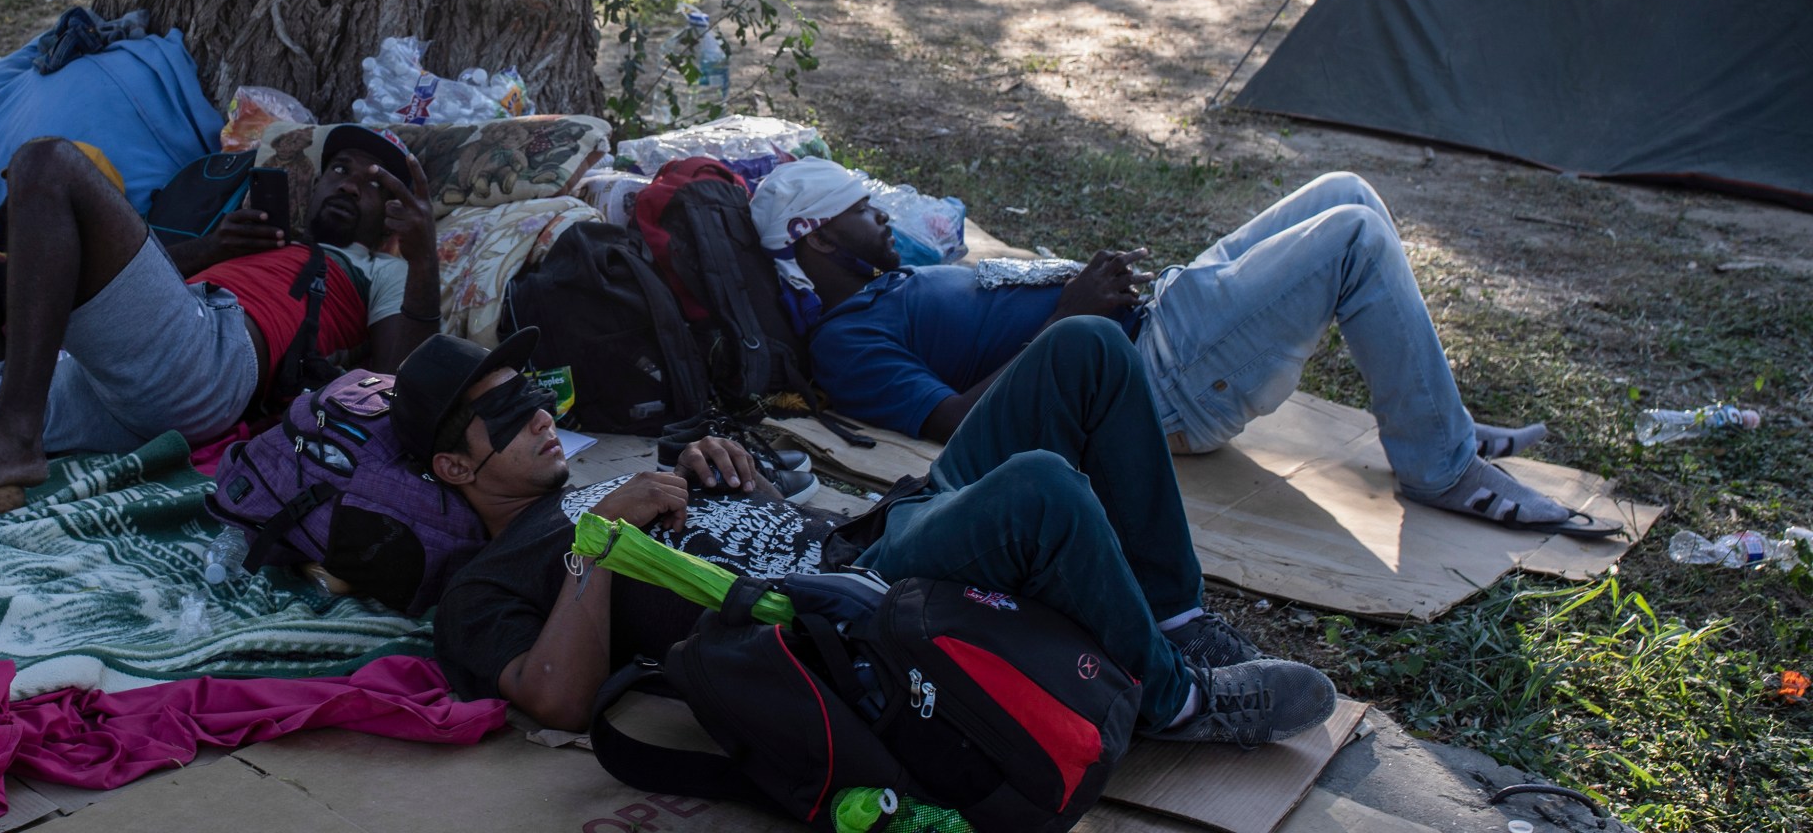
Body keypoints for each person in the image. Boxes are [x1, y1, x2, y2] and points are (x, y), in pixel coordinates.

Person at [409, 321, 1337, 747]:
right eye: (511, 411)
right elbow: (554, 698)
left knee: (1084, 349)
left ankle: (1173, 622)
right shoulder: (487, 580)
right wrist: (599, 542)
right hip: (841, 616)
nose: (542, 413)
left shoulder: (615, 470)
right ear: (455, 467)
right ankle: (1175, 704)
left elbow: (740, 506)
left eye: (541, 392)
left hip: (870, 534)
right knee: (1042, 491)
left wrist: (722, 470)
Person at [754, 161, 1615, 538]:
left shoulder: (888, 285)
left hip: (1158, 318)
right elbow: (955, 425)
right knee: (1351, 234)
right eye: (861, 212)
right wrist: (1070, 317)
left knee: (1346, 190)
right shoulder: (848, 342)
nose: (884, 218)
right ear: (813, 238)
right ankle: (1440, 466)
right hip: (1153, 382)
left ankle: (1438, 418)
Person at [0, 127, 445, 533]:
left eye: (374, 185)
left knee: (47, 162)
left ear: (394, 220)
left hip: (210, 365)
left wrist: (423, 258)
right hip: (113, 379)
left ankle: (12, 435)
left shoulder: (380, 268)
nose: (349, 183)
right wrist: (210, 249)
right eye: (340, 169)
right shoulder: (265, 242)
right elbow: (109, 278)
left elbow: (391, 380)